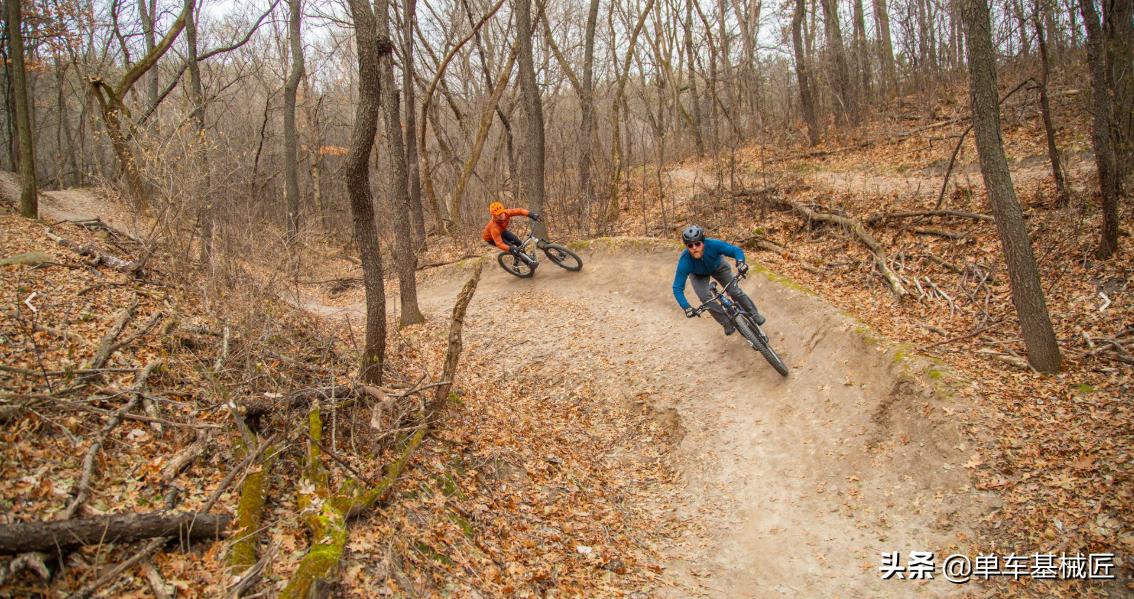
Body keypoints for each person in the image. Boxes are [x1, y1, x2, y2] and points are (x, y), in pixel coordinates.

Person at [673, 224, 765, 335]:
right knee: (705, 298)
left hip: (718, 266)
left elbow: (735, 251)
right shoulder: (685, 260)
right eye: (690, 246)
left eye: (697, 244)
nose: (694, 248)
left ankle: (754, 314)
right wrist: (686, 307)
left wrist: (740, 262)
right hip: (698, 275)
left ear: (703, 242)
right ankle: (726, 323)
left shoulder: (713, 244)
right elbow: (677, 288)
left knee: (734, 291)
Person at [483, 201, 540, 266]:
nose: (502, 215)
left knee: (518, 242)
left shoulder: (506, 213)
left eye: (502, 212)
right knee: (512, 248)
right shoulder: (494, 227)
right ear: (494, 216)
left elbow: (520, 211)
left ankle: (525, 257)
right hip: (491, 238)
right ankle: (527, 263)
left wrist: (531, 214)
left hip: (502, 231)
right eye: (499, 214)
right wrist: (510, 248)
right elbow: (499, 243)